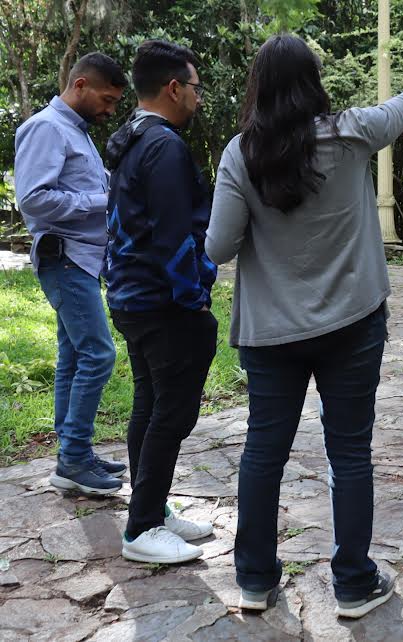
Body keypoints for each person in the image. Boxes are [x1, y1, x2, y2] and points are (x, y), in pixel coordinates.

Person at [206, 18, 403, 617]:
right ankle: (353, 583)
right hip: (353, 325)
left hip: (271, 333)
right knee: (349, 452)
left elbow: (218, 249)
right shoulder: (354, 133)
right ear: (313, 83)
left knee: (262, 452)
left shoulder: (239, 154)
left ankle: (253, 579)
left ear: (258, 88)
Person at [103, 40, 217, 564]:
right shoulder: (165, 146)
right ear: (174, 88)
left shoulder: (130, 138)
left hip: (129, 296)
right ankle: (143, 526)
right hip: (161, 302)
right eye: (195, 87)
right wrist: (194, 297)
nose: (198, 97)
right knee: (171, 411)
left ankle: (153, 511)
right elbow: (174, 238)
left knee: (150, 404)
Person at [14, 53, 129, 496]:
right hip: (64, 259)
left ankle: (73, 453)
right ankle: (74, 459)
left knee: (74, 358)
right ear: (80, 85)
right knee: (99, 355)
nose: (110, 109)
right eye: (106, 99)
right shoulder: (46, 128)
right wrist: (104, 202)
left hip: (80, 259)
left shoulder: (76, 131)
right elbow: (34, 200)